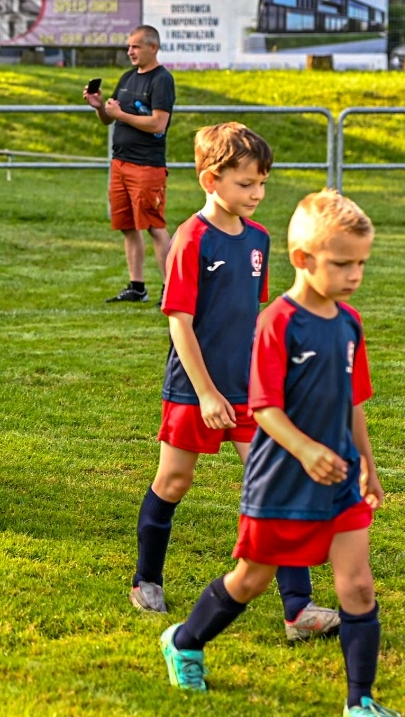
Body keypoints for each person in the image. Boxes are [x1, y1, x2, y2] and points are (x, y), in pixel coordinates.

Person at [160, 190, 403, 717]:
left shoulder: (350, 324)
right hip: (281, 480)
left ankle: (361, 701)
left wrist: (367, 463)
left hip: (338, 478)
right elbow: (264, 409)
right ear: (302, 259)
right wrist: (306, 450)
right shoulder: (277, 322)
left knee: (358, 588)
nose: (354, 275)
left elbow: (354, 402)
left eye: (361, 264)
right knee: (250, 580)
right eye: (342, 264)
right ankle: (185, 642)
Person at [131, 123, 339, 641]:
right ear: (211, 180)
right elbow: (179, 322)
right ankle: (146, 580)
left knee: (275, 486)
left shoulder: (259, 239)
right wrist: (205, 393)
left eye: (262, 183)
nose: (257, 193)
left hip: (249, 392)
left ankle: (298, 610)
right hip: (194, 389)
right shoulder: (191, 238)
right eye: (246, 184)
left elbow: (254, 316)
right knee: (173, 482)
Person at [84, 25, 175, 303]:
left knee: (154, 226)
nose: (130, 52)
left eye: (136, 46)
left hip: (146, 166)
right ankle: (137, 287)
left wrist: (120, 114)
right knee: (127, 226)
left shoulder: (162, 80)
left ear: (153, 48)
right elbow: (109, 118)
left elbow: (158, 123)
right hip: (120, 164)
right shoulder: (127, 77)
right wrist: (99, 106)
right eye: (128, 46)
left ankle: (171, 289)